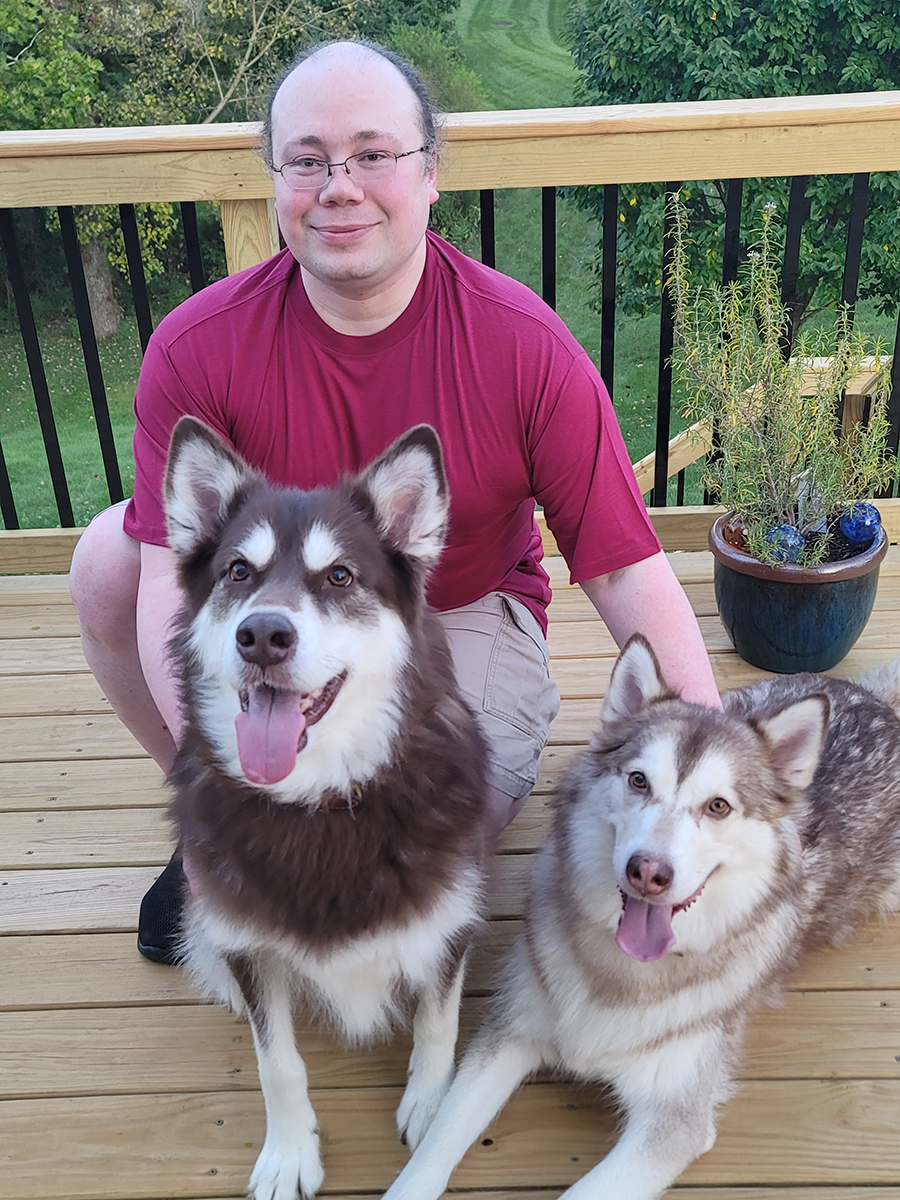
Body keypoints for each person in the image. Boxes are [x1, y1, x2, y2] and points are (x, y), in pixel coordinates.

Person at [69, 38, 722, 965]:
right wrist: (224, 785)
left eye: (373, 155)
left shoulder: (526, 349)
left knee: (413, 863)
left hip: (458, 613)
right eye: (308, 159)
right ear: (277, 178)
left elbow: (623, 569)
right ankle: (213, 833)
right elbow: (167, 588)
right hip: (274, 604)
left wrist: (718, 778)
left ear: (429, 175)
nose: (340, 185)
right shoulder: (197, 348)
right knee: (105, 556)